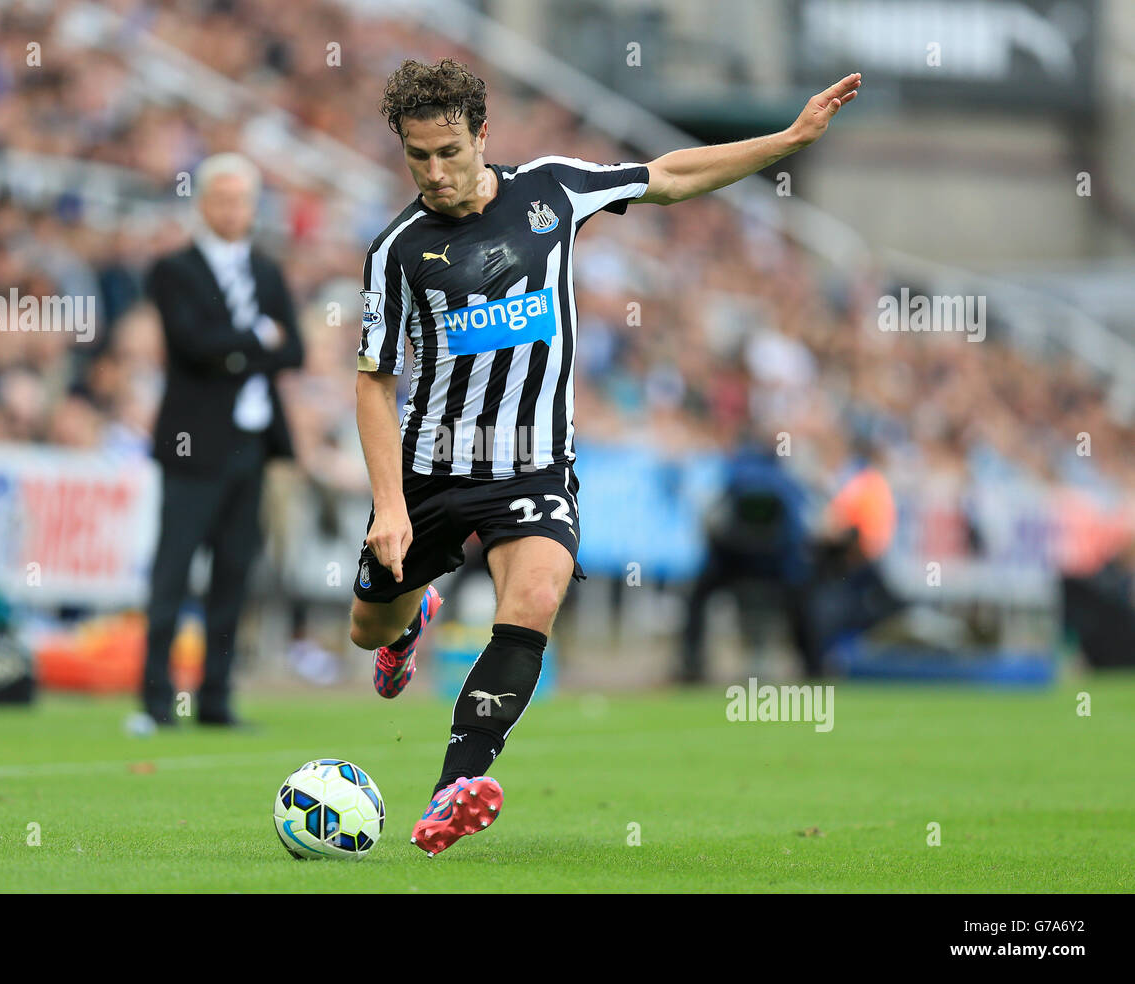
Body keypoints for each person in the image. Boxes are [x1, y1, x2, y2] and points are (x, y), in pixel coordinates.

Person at [347, 58, 861, 856]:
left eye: (450, 151)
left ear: (483, 135)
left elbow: (669, 174)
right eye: (418, 157)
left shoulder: (554, 189)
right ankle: (405, 625)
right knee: (363, 624)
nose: (436, 173)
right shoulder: (398, 250)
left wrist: (788, 139)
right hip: (434, 470)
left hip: (535, 465)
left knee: (538, 594)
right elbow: (374, 382)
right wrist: (387, 505)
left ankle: (455, 782)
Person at [142, 153, 303, 727]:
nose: (234, 211)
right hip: (193, 442)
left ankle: (216, 699)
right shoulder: (174, 269)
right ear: (203, 204)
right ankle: (156, 702)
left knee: (235, 574)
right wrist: (259, 337)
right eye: (224, 199)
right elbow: (194, 344)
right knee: (174, 570)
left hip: (253, 443)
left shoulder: (266, 271)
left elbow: (296, 351)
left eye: (243, 200)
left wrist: (238, 345)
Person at [677, 436, 818, 682]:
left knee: (696, 596)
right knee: (804, 598)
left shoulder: (732, 476)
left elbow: (711, 524)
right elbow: (804, 528)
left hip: (733, 566)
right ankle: (812, 665)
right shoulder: (785, 480)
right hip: (777, 568)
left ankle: (691, 663)